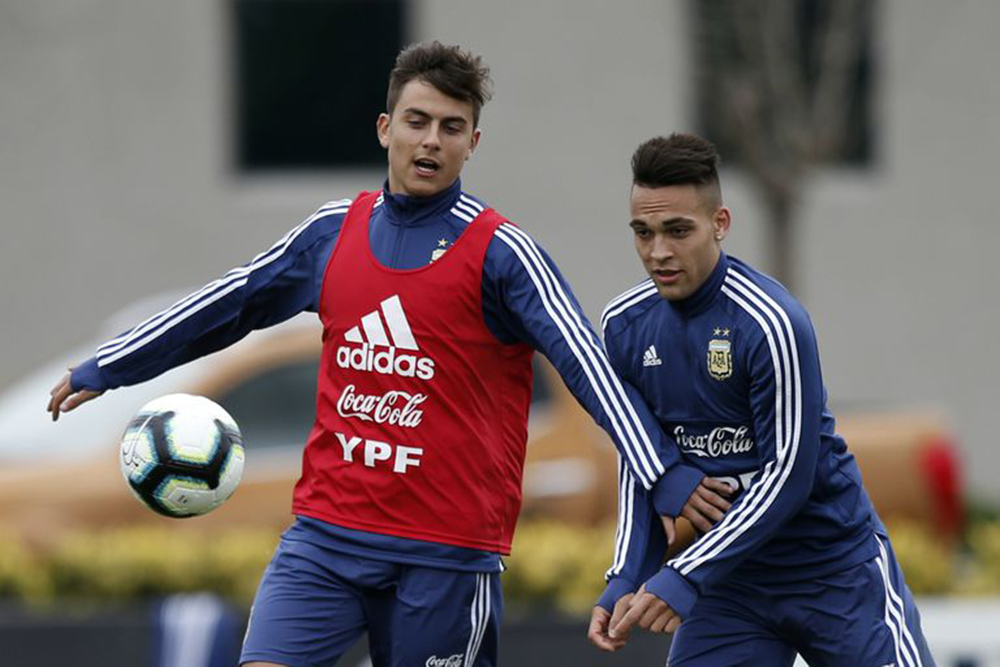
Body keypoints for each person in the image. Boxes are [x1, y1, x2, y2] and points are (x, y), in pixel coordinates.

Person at [47, 44, 730, 666]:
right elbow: (231, 301)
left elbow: (588, 367)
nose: (431, 140)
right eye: (417, 121)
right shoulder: (331, 233)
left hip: (446, 560)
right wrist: (112, 365)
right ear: (385, 129)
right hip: (325, 541)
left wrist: (663, 472)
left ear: (472, 144)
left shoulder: (503, 254)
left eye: (451, 127)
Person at [586, 133, 935, 666]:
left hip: (832, 568)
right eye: (643, 232)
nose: (658, 252)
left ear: (720, 223)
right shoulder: (625, 325)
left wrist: (685, 574)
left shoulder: (772, 322)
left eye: (678, 230)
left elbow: (790, 476)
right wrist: (626, 575)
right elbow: (640, 461)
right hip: (732, 583)